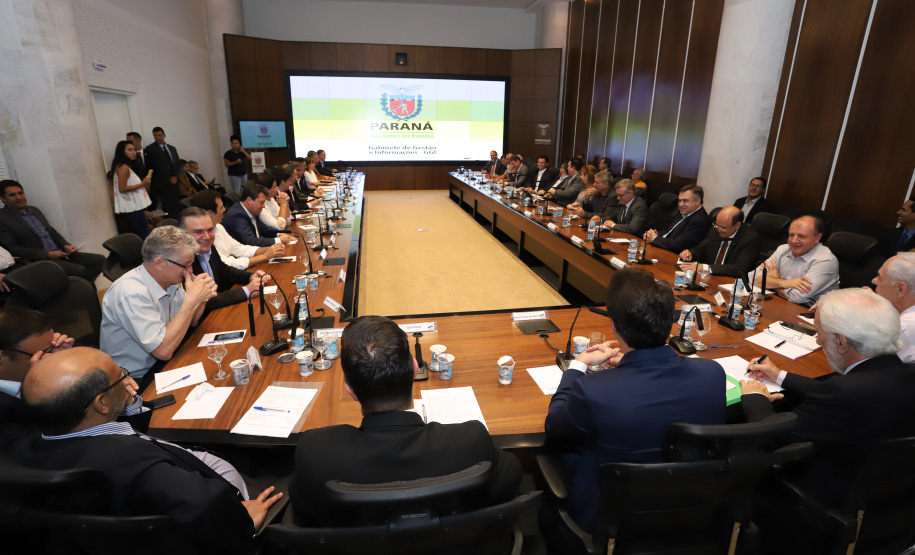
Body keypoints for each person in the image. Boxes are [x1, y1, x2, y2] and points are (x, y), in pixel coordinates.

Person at [16, 347, 282, 554]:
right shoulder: (132, 461)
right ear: (102, 403)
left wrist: (126, 403)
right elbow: (203, 505)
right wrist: (244, 520)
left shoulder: (27, 449)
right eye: (119, 375)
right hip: (233, 506)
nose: (126, 377)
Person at [289, 315, 522, 526]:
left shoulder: (316, 452)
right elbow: (513, 476)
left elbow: (305, 508)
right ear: (414, 368)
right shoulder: (472, 440)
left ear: (350, 390)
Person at [544, 267, 725, 530]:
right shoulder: (712, 373)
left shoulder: (594, 390)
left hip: (610, 519)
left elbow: (555, 426)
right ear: (669, 324)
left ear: (615, 327)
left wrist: (577, 366)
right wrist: (627, 367)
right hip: (690, 512)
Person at [740, 288, 915, 554]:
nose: (819, 341)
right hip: (894, 506)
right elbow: (845, 396)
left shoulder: (844, 394)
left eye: (820, 334)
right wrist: (780, 376)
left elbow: (771, 436)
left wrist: (755, 395)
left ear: (842, 342)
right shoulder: (899, 374)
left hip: (819, 508)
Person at [100, 226, 217, 380]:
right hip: (136, 378)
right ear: (159, 263)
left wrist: (201, 297)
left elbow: (193, 320)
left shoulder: (171, 278)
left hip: (168, 359)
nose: (189, 271)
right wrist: (191, 300)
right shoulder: (131, 293)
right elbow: (162, 351)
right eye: (186, 265)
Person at [0, 307, 75, 452]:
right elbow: (45, 451)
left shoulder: (37, 350)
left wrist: (69, 360)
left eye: (53, 346)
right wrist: (46, 384)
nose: (52, 358)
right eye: (44, 352)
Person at [0, 180, 106, 283]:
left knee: (100, 260)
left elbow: (51, 231)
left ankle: (81, 287)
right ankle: (82, 289)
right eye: (12, 195)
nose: (18, 197)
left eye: (20, 193)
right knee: (79, 271)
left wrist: (65, 245)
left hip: (61, 253)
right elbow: (13, 249)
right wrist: (47, 254)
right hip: (40, 260)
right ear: (2, 199)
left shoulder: (34, 210)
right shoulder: (3, 218)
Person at [180, 207, 267, 316]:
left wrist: (250, 277)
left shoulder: (208, 246)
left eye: (210, 230)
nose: (207, 237)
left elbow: (223, 270)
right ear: (183, 235)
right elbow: (204, 301)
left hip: (219, 312)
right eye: (198, 232)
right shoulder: (181, 263)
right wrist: (246, 290)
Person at [190, 190, 285, 270]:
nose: (224, 210)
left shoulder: (218, 227)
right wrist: (264, 256)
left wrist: (269, 250)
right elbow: (227, 264)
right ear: (209, 213)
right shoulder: (202, 238)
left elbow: (239, 248)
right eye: (221, 207)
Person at [757, 215, 839, 305]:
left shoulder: (825, 261)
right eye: (791, 235)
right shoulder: (783, 249)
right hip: (781, 302)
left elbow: (797, 297)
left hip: (808, 312)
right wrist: (785, 283)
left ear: (817, 238)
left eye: (801, 236)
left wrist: (774, 281)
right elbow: (753, 277)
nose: (794, 241)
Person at [678, 206, 761, 279]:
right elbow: (701, 249)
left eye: (723, 227)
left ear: (737, 225)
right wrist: (690, 254)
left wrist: (706, 267)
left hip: (730, 282)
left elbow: (739, 269)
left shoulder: (750, 238)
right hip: (708, 278)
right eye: (717, 225)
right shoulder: (715, 230)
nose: (718, 230)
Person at [871, 253, 915, 363]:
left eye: (880, 277)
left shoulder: (903, 328)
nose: (873, 280)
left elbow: (870, 365)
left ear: (900, 289)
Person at [643, 185, 712, 253]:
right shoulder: (685, 212)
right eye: (679, 201)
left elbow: (679, 245)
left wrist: (655, 239)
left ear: (697, 201)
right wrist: (654, 234)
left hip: (677, 258)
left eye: (685, 201)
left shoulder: (700, 220)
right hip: (664, 251)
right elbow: (669, 230)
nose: (681, 204)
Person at [222, 182, 291, 248]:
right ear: (249, 201)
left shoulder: (252, 211)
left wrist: (279, 234)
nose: (263, 206)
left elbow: (264, 230)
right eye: (261, 203)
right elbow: (251, 241)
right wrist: (279, 240)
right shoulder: (237, 215)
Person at [110, 140, 152, 239]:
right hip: (132, 208)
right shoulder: (123, 167)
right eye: (130, 150)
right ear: (122, 152)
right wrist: (142, 184)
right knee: (144, 236)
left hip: (133, 207)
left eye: (134, 149)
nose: (134, 152)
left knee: (142, 234)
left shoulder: (124, 166)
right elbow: (122, 188)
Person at [143, 126, 182, 218]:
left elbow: (178, 164)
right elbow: (150, 168)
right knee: (166, 207)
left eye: (159, 135)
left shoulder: (172, 148)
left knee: (176, 205)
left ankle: (178, 223)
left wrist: (176, 176)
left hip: (175, 182)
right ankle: (170, 225)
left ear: (164, 135)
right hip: (161, 183)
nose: (157, 137)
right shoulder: (150, 149)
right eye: (155, 135)